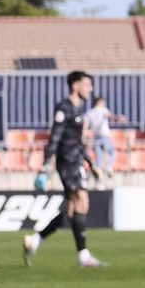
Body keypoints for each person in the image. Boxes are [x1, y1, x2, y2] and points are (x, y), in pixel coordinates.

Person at [23, 70, 105, 268]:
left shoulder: (78, 109)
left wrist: (91, 163)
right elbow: (55, 137)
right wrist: (45, 164)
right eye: (87, 84)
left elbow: (77, 142)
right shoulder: (64, 108)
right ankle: (83, 256)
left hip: (76, 160)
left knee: (70, 211)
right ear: (75, 86)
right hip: (68, 163)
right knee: (82, 202)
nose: (90, 89)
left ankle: (35, 241)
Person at [83, 96, 123, 184]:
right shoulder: (103, 110)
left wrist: (83, 136)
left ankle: (99, 181)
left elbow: (85, 125)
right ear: (100, 102)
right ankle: (109, 165)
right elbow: (110, 116)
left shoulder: (90, 112)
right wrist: (118, 118)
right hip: (105, 137)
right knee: (112, 152)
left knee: (99, 159)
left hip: (96, 137)